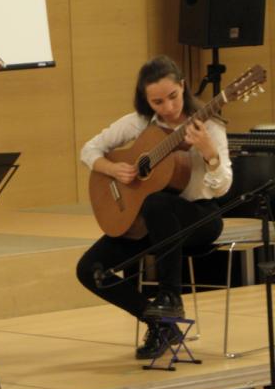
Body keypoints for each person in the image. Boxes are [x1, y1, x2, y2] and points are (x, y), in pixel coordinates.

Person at [76, 55, 232, 360]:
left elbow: (224, 186)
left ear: (183, 87)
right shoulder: (140, 122)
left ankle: (170, 295)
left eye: (172, 97)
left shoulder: (209, 126)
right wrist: (112, 169)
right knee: (89, 270)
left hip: (199, 216)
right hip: (152, 222)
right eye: (158, 102)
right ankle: (161, 323)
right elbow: (90, 149)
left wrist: (209, 153)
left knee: (158, 202)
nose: (168, 108)